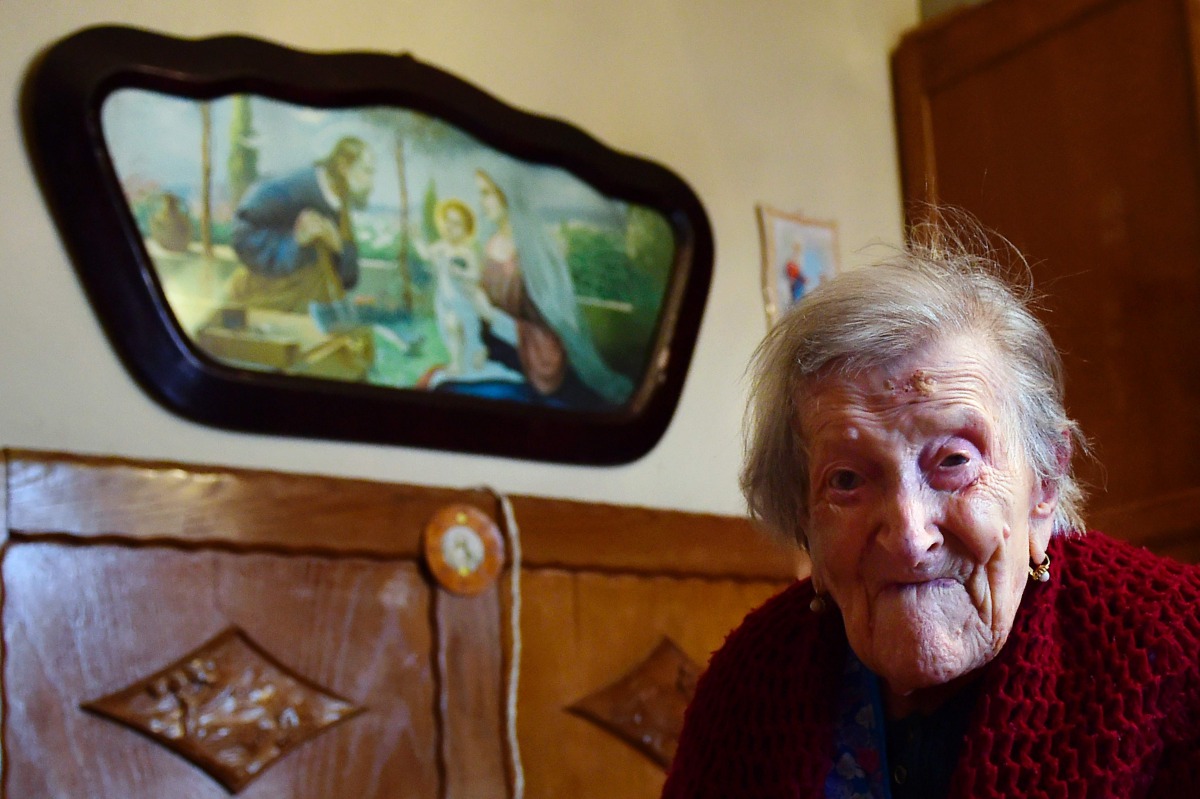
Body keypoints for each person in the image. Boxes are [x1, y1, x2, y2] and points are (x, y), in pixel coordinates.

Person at [663, 226, 1200, 798]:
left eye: (952, 461)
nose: (910, 537)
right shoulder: (750, 685)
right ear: (805, 524)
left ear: (1043, 483)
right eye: (846, 480)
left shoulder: (1177, 647)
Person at [467, 167, 632, 408]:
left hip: (537, 357)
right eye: (480, 194)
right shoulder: (490, 245)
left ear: (507, 194)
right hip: (494, 351)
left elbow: (552, 319)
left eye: (486, 193)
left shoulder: (536, 248)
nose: (482, 203)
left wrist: (494, 318)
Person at [228, 136, 375, 313]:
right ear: (343, 167)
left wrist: (337, 244)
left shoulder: (339, 202)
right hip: (269, 301)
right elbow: (242, 233)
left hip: (313, 306)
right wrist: (296, 242)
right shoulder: (289, 188)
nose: (371, 183)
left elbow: (349, 279)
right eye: (367, 171)